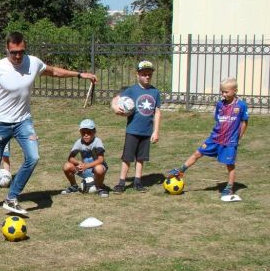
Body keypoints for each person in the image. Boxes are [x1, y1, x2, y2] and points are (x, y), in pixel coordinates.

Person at [0, 32, 98, 215]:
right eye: (13, 52)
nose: (17, 56)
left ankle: (12, 197)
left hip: (23, 121)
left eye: (21, 52)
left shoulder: (33, 62)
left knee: (33, 157)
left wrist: (79, 74)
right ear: (7, 49)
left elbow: (53, 71)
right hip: (0, 123)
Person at [165, 78, 249, 197]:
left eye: (226, 92)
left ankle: (229, 187)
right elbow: (218, 120)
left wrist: (238, 137)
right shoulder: (220, 104)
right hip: (215, 138)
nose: (224, 94)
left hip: (229, 142)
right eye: (222, 92)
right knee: (198, 153)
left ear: (235, 91)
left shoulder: (241, 106)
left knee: (230, 165)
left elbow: (244, 122)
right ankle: (181, 170)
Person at [111, 60, 161, 193]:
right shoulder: (131, 90)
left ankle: (137, 182)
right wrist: (115, 108)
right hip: (132, 130)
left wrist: (155, 131)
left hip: (147, 131)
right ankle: (122, 182)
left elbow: (157, 112)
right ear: (137, 74)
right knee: (127, 157)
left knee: (141, 158)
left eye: (149, 74)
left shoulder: (155, 92)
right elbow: (116, 99)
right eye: (144, 74)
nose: (147, 76)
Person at [61, 119, 109, 198]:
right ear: (80, 132)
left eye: (89, 132)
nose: (86, 135)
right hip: (85, 169)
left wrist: (87, 165)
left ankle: (100, 188)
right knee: (67, 166)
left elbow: (101, 159)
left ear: (94, 132)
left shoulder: (97, 141)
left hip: (96, 169)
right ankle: (74, 186)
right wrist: (79, 163)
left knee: (99, 168)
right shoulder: (79, 142)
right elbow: (70, 158)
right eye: (83, 132)